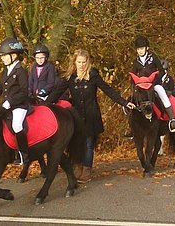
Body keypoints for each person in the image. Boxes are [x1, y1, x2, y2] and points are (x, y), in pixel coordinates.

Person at [47, 49, 135, 183]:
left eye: (84, 62)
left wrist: (124, 102)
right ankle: (78, 167)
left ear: (87, 62)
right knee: (76, 143)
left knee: (88, 143)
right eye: (79, 62)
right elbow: (56, 93)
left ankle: (87, 170)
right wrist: (43, 106)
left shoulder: (93, 75)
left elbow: (108, 90)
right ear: (74, 62)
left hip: (91, 115)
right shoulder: (69, 77)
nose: (81, 65)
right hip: (76, 116)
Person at [0, 37, 30, 165]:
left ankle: (23, 155)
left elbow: (24, 92)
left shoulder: (21, 71)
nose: (2, 58)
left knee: (17, 125)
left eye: (4, 56)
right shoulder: (6, 70)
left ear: (14, 55)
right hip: (7, 105)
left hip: (19, 105)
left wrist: (9, 102)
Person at [131, 36, 175, 132]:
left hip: (154, 84)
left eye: (142, 48)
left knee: (162, 93)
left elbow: (161, 71)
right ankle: (131, 124)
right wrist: (133, 85)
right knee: (133, 97)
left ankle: (172, 119)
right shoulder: (136, 62)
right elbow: (133, 75)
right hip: (141, 86)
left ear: (147, 48)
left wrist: (153, 82)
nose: (140, 51)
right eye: (138, 49)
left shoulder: (153, 58)